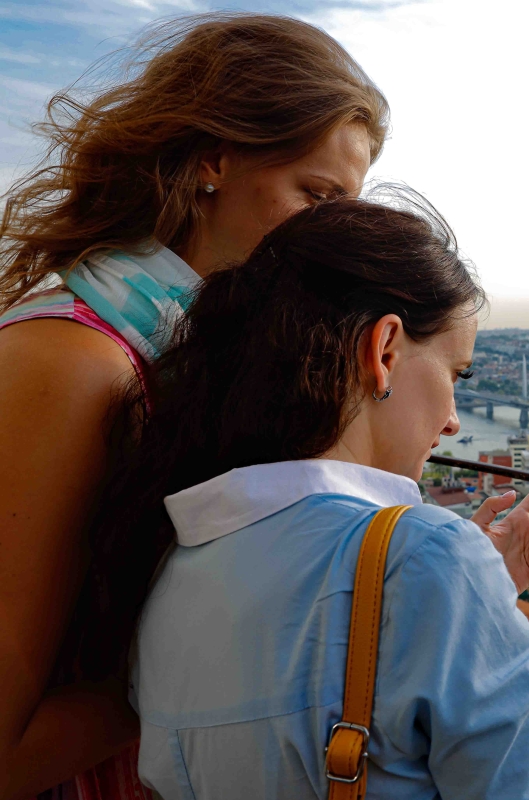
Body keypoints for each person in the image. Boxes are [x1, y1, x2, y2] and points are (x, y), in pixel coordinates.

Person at [95, 194, 529, 798]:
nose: (453, 420)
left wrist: (476, 596)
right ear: (384, 351)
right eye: (455, 374)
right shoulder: (426, 558)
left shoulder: (169, 559)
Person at [0, 13, 389, 798]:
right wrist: (204, 658)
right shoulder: (74, 362)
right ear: (213, 160)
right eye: (314, 195)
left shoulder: (165, 351)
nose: (330, 238)